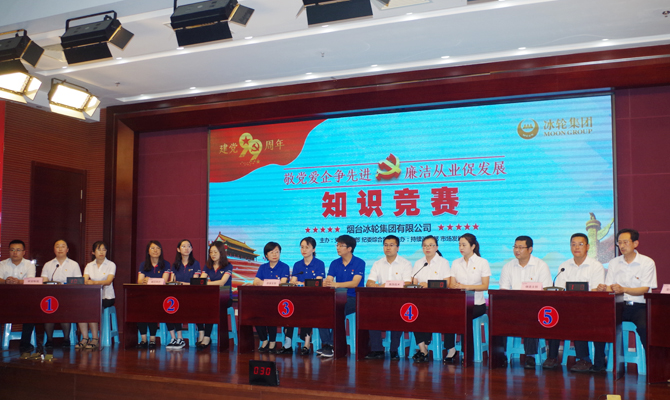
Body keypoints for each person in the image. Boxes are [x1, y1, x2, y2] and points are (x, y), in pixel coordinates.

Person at [593, 229, 657, 372]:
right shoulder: (614, 262)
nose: (621, 246)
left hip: (639, 305)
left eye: (625, 242)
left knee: (645, 327)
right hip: (618, 305)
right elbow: (610, 286)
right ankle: (599, 364)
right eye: (619, 243)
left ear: (635, 243)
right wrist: (603, 288)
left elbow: (644, 289)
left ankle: (654, 366)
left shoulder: (647, 262)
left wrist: (623, 289)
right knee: (599, 322)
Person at [543, 233, 605, 371]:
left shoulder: (596, 266)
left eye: (580, 244)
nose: (576, 247)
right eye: (573, 244)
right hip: (567, 306)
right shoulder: (564, 266)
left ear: (587, 247)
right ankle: (552, 357)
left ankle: (584, 359)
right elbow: (559, 290)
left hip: (589, 307)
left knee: (579, 317)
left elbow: (596, 291)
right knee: (552, 315)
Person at [499, 235, 552, 369]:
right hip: (513, 307)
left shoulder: (541, 266)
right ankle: (501, 354)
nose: (517, 250)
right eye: (515, 247)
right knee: (498, 315)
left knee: (530, 315)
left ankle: (530, 355)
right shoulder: (508, 266)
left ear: (530, 249)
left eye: (521, 247)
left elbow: (546, 291)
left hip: (535, 307)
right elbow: (504, 291)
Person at [365, 235, 412, 361]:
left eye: (391, 245)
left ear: (398, 247)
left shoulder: (405, 263)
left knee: (398, 314)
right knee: (370, 314)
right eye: (385, 245)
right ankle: (377, 349)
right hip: (381, 300)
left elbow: (407, 283)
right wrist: (377, 285)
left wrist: (387, 284)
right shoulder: (378, 263)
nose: (388, 248)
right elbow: (369, 283)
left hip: (399, 299)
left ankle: (394, 349)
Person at [317, 234, 365, 358]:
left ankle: (332, 345)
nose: (337, 248)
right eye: (337, 245)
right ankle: (327, 344)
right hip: (338, 297)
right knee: (321, 309)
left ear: (349, 248)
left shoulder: (359, 262)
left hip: (354, 298)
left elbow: (355, 283)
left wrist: (336, 284)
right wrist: (327, 282)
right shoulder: (335, 263)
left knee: (338, 310)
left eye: (341, 245)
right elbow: (329, 279)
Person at [445, 233, 491, 364]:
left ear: (473, 246)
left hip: (477, 304)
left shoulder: (482, 262)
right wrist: (455, 286)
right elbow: (452, 284)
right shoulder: (456, 263)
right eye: (459, 244)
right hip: (459, 304)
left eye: (464, 245)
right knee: (448, 316)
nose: (461, 247)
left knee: (464, 316)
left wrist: (466, 286)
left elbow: (485, 286)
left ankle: (466, 351)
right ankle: (451, 349)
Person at [277, 237, 326, 356]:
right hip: (298, 298)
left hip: (314, 299)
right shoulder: (297, 264)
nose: (303, 250)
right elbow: (293, 281)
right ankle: (287, 344)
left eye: (307, 247)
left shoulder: (319, 264)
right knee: (288, 308)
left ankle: (306, 343)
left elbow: (318, 283)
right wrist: (301, 283)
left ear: (313, 249)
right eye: (302, 247)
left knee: (307, 308)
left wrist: (302, 283)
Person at [411, 235, 452, 362]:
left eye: (431, 245)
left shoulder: (443, 262)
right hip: (422, 300)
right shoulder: (419, 263)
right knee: (414, 313)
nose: (427, 248)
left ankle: (428, 347)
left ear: (436, 247)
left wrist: (428, 284)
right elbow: (414, 282)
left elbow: (446, 283)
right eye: (425, 246)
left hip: (439, 301)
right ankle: (422, 349)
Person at [41, 239, 82, 348]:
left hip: (69, 296)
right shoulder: (48, 265)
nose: (60, 249)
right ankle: (49, 340)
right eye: (57, 246)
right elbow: (44, 281)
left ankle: (66, 339)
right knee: (48, 310)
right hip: (51, 296)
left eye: (63, 246)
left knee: (65, 310)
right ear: (54, 249)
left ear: (67, 249)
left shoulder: (74, 264)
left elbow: (79, 282)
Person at [76, 241, 116, 350]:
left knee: (92, 307)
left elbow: (108, 281)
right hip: (91, 297)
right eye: (99, 249)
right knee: (80, 308)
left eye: (104, 249)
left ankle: (95, 338)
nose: (102, 252)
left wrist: (93, 282)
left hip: (107, 297)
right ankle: (85, 338)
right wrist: (87, 282)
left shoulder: (111, 265)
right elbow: (84, 280)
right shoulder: (89, 265)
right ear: (93, 252)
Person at [0, 240, 37, 354]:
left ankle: (25, 343)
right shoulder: (2, 264)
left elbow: (32, 280)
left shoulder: (29, 265)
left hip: (24, 299)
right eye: (12, 250)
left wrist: (18, 281)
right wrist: (6, 281)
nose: (15, 252)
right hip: (5, 299)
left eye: (18, 250)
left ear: (24, 252)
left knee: (31, 312)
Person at [253, 242, 290, 353]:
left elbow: (282, 283)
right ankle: (264, 340)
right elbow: (255, 282)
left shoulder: (284, 267)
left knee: (271, 309)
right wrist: (273, 282)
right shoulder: (262, 267)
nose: (275, 254)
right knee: (255, 312)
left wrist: (264, 282)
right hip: (263, 299)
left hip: (279, 299)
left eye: (277, 252)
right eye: (271, 252)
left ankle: (272, 341)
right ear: (266, 255)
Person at [197, 241, 234, 350]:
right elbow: (200, 281)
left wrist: (206, 283)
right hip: (212, 296)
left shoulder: (228, 266)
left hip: (225, 297)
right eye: (211, 252)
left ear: (221, 253)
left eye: (215, 252)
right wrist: (204, 282)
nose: (213, 254)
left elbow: (222, 282)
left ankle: (207, 337)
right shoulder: (208, 266)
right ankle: (202, 332)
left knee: (211, 306)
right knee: (197, 305)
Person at [166, 239, 201, 350]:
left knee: (177, 306)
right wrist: (175, 284)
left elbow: (195, 283)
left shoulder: (195, 264)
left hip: (190, 295)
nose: (186, 248)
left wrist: (180, 283)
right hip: (177, 295)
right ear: (178, 249)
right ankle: (173, 338)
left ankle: (180, 338)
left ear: (191, 249)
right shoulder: (175, 265)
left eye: (188, 246)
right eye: (183, 246)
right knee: (167, 307)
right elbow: (172, 281)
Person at [137, 240, 171, 349]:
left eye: (158, 248)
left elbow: (164, 280)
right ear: (148, 251)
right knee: (139, 308)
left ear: (161, 251)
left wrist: (149, 280)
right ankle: (143, 339)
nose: (155, 250)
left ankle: (152, 339)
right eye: (152, 248)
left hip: (160, 295)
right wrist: (145, 281)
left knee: (152, 307)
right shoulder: (143, 265)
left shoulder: (166, 264)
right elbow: (139, 281)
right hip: (146, 295)